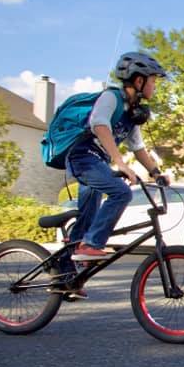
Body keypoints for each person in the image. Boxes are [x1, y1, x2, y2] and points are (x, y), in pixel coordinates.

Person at [66, 52, 170, 265]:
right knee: (121, 192)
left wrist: (156, 172)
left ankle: (64, 276)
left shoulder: (132, 112)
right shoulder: (111, 97)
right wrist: (120, 163)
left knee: (86, 219)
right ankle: (93, 244)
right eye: (153, 82)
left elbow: (138, 148)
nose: (155, 87)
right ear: (139, 80)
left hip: (97, 163)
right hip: (83, 158)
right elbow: (100, 125)